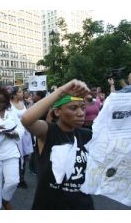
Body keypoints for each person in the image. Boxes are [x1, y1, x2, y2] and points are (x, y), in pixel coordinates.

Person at [21, 79, 94, 209]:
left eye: (83, 108)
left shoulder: (87, 135)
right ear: (57, 112)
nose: (81, 113)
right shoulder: (48, 132)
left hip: (82, 205)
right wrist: (61, 91)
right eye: (73, 108)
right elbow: (27, 119)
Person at [10, 86, 33, 189]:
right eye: (20, 92)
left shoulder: (23, 103)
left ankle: (22, 178)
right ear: (14, 94)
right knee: (18, 158)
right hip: (16, 134)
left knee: (25, 156)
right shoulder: (9, 105)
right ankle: (18, 179)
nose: (22, 93)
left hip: (26, 133)